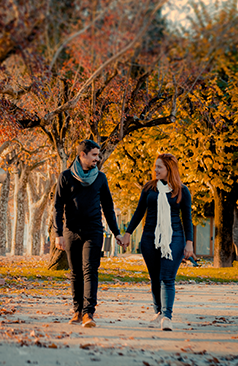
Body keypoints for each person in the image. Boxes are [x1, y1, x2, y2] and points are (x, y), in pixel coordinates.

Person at [117, 153, 195, 331]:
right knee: (154, 278)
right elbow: (139, 212)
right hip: (149, 238)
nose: (155, 170)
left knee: (167, 277)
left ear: (169, 169)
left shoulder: (182, 191)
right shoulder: (149, 188)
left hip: (174, 238)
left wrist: (189, 242)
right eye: (155, 166)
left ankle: (167, 316)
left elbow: (187, 219)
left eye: (159, 167)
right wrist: (128, 233)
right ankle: (158, 312)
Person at [54, 139, 121, 328]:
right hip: (71, 231)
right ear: (82, 155)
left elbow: (108, 207)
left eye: (98, 155)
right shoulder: (66, 176)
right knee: (75, 272)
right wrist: (58, 233)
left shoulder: (100, 178)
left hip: (93, 230)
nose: (97, 159)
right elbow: (58, 206)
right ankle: (77, 311)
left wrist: (116, 232)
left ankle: (88, 313)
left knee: (90, 270)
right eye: (94, 155)